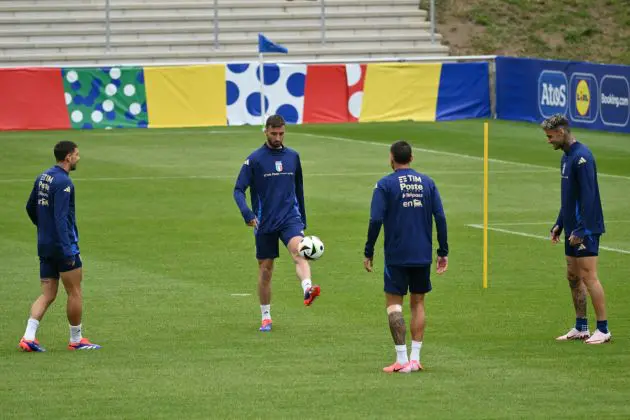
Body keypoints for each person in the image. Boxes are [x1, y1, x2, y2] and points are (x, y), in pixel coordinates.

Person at [364, 140, 448, 373]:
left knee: (394, 305)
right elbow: (440, 217)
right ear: (411, 158)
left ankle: (401, 360)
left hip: (397, 254)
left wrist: (369, 250)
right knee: (418, 302)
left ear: (391, 158)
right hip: (422, 253)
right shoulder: (428, 183)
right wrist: (443, 251)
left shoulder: (384, 185)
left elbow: (375, 220)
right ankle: (415, 358)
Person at [233, 114, 320, 332]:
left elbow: (299, 188)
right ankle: (266, 316)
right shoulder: (255, 159)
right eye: (274, 133)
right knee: (266, 270)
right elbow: (238, 190)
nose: (278, 137)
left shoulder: (293, 157)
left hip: (290, 219)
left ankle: (308, 289)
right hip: (264, 222)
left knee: (299, 252)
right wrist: (247, 213)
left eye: (281, 133)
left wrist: (303, 219)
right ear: (266, 131)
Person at [19, 141, 101, 352]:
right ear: (67, 157)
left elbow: (29, 207)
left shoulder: (43, 177)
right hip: (63, 247)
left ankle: (28, 337)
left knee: (47, 294)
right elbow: (61, 218)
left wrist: (42, 227)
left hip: (45, 244)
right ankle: (76, 339)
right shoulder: (64, 183)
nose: (78, 158)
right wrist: (66, 249)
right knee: (75, 291)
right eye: (76, 154)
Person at [543, 114, 611, 344]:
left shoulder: (582, 158)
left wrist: (582, 229)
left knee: (589, 277)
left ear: (561, 132)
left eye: (550, 136)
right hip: (572, 228)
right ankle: (581, 326)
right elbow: (569, 199)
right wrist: (559, 223)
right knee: (573, 276)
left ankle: (603, 329)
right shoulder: (566, 158)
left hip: (587, 229)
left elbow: (589, 197)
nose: (548, 140)